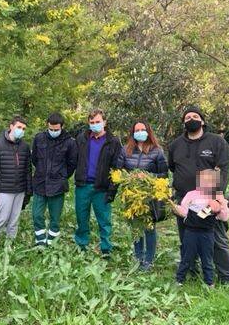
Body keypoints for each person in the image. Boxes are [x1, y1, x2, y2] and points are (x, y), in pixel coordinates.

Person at [168, 105, 229, 284]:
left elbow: (224, 169)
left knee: (214, 237)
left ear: (202, 121)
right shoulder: (176, 145)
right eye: (187, 117)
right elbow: (173, 167)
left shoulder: (216, 142)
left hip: (209, 202)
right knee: (188, 236)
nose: (191, 119)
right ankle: (192, 271)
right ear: (183, 122)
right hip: (186, 200)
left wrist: (216, 198)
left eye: (195, 116)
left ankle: (227, 277)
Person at [74, 109, 122, 257]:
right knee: (81, 217)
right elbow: (73, 159)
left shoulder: (113, 142)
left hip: (102, 187)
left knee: (104, 219)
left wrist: (112, 190)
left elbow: (117, 167)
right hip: (83, 185)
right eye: (92, 122)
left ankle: (106, 248)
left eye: (98, 122)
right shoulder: (81, 139)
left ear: (104, 122)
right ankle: (82, 245)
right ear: (88, 123)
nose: (95, 125)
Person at [121, 120, 168, 270]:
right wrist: (128, 178)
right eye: (137, 130)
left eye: (142, 129)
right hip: (131, 196)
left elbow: (164, 174)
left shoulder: (157, 151)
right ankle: (138, 256)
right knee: (135, 227)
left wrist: (147, 177)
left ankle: (149, 259)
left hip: (149, 196)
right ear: (133, 133)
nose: (140, 132)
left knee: (149, 227)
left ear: (148, 131)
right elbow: (119, 170)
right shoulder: (126, 150)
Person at [172, 169, 229, 287]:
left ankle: (209, 283)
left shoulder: (217, 196)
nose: (206, 184)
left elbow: (224, 217)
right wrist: (173, 207)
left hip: (207, 234)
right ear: (198, 181)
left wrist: (221, 207)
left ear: (215, 183)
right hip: (190, 232)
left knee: (207, 258)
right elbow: (184, 211)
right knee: (187, 256)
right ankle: (179, 280)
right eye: (203, 180)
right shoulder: (191, 194)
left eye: (210, 181)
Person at [0, 116, 32, 250]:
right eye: (19, 127)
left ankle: (10, 244)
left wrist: (28, 190)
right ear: (11, 126)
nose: (21, 131)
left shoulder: (24, 146)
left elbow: (28, 169)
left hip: (20, 189)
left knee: (14, 219)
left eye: (23, 129)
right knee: (2, 218)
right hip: (4, 189)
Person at [31, 112, 77, 246]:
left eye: (56, 129)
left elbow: (72, 164)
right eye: (51, 129)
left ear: (62, 127)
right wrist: (41, 171)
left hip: (58, 185)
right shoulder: (39, 138)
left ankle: (52, 240)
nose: (53, 131)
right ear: (47, 125)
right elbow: (34, 159)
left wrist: (62, 176)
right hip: (40, 183)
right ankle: (40, 240)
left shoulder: (70, 142)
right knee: (37, 214)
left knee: (55, 217)